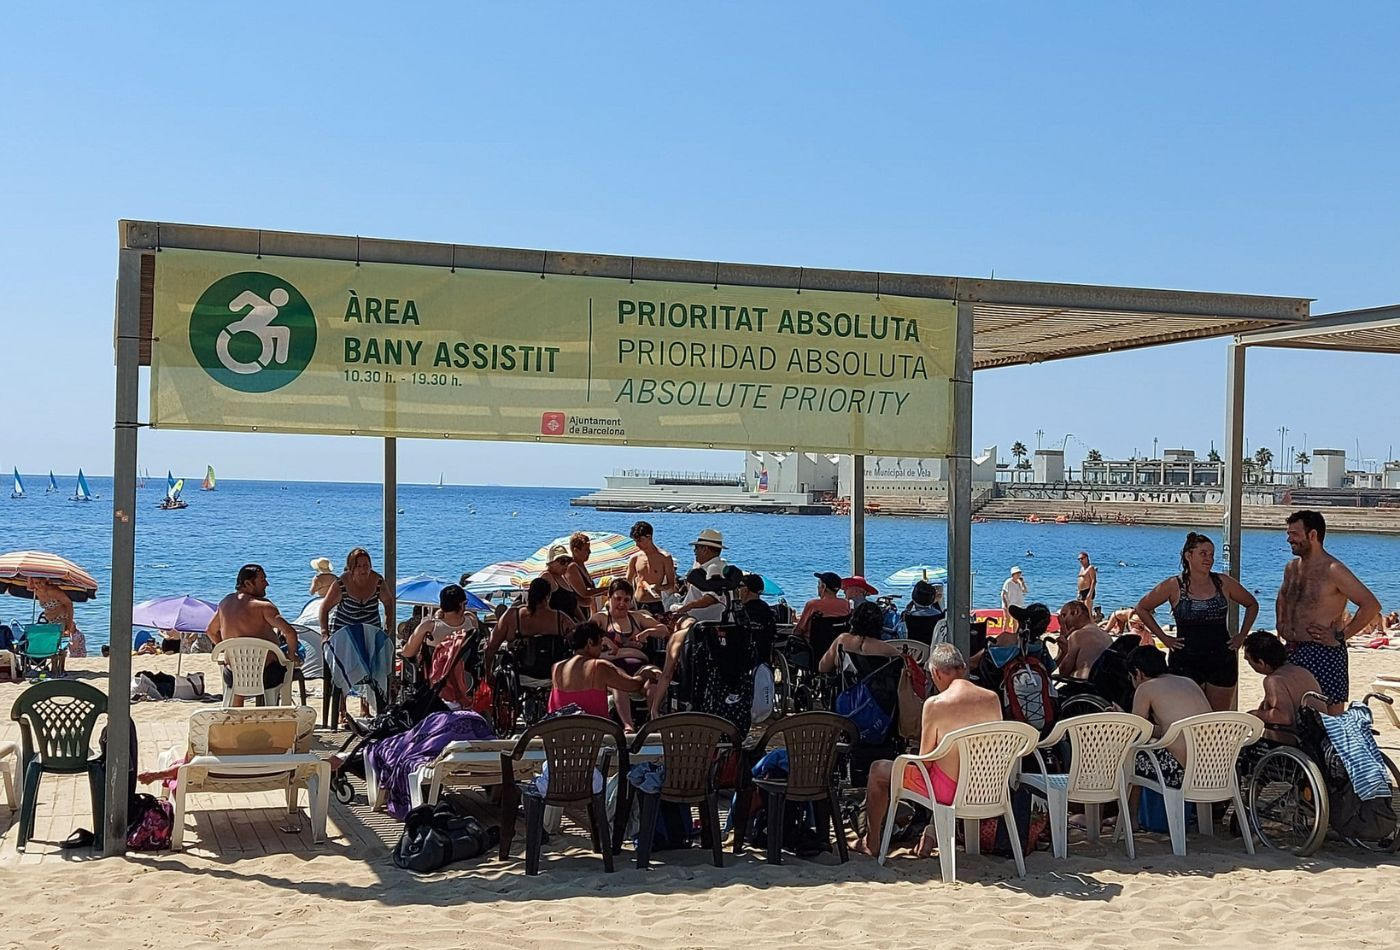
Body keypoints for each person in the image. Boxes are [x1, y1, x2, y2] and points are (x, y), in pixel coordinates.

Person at [854, 644, 1002, 857]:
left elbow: (926, 762)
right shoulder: (991, 698)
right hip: (985, 787)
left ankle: (872, 842)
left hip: (947, 790)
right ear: (963, 668)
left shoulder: (935, 704)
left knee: (878, 770)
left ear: (936, 673)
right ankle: (929, 834)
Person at [1134, 531, 1260, 711]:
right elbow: (1142, 608)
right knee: (1190, 716)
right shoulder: (1174, 585)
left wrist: (1242, 635)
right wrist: (1164, 638)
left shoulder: (1223, 582)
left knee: (1217, 718)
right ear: (1188, 556)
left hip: (1221, 657)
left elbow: (1252, 604)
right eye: (1203, 554)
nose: (1209, 558)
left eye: (1211, 554)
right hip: (1186, 659)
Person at [1276, 510, 1381, 714]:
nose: (1289, 539)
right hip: (1291, 649)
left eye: (1294, 534)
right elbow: (1282, 597)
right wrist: (1281, 623)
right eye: (1288, 533)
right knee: (1291, 715)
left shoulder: (1333, 569)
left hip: (1324, 652)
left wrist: (1341, 635)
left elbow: (1370, 605)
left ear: (1313, 535)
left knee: (1328, 720)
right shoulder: (1291, 568)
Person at [654, 528, 730, 715]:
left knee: (668, 659)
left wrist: (684, 608)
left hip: (698, 624)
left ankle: (658, 705)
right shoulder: (718, 567)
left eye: (697, 548)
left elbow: (712, 597)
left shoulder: (712, 570)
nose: (694, 551)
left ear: (707, 549)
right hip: (706, 622)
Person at [205, 564, 301, 708]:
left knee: (240, 669)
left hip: (233, 676)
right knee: (286, 663)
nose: (267, 584)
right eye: (262, 580)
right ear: (248, 583)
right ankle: (272, 714)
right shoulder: (264, 607)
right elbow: (290, 633)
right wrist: (292, 656)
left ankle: (237, 712)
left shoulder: (225, 603)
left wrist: (228, 652)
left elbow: (210, 631)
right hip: (266, 676)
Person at [319, 548, 393, 725]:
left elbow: (388, 603)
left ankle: (365, 707)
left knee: (375, 664)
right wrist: (324, 634)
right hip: (344, 632)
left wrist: (388, 626)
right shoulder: (341, 583)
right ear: (351, 568)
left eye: (366, 565)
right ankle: (342, 710)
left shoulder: (378, 581)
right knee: (343, 664)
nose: (363, 569)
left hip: (370, 630)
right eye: (359, 566)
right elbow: (324, 608)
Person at [1128, 645, 1211, 790]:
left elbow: (1135, 731)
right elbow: (1172, 729)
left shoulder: (1146, 688)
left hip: (1180, 772)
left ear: (1138, 673)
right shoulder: (1188, 682)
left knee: (1127, 759)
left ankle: (1130, 812)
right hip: (1213, 768)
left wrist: (1121, 717)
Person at [590, 577, 666, 731]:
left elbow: (664, 630)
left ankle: (654, 720)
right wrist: (604, 639)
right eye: (618, 599)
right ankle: (628, 726)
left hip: (639, 669)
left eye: (626, 600)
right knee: (620, 680)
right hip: (613, 670)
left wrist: (648, 632)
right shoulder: (601, 619)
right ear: (609, 598)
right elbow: (585, 637)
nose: (622, 604)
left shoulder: (637, 617)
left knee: (655, 677)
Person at [549, 620, 660, 718]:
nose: (602, 648)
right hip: (594, 733)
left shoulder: (556, 667)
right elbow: (632, 685)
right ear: (590, 642)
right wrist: (644, 675)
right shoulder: (599, 666)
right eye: (600, 643)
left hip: (561, 732)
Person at [401, 584, 480, 708]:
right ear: (461, 605)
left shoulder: (430, 627)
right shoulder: (471, 622)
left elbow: (407, 652)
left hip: (436, 684)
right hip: (465, 681)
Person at [484, 576, 573, 678]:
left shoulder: (512, 616)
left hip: (520, 673)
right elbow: (579, 640)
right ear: (548, 596)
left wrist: (488, 673)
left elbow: (491, 647)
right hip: (553, 673)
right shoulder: (560, 618)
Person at [1242, 630, 1322, 744]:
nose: (1248, 663)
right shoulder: (1301, 671)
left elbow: (1284, 717)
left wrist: (1252, 714)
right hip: (1318, 736)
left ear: (1261, 663)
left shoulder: (1273, 680)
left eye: (1249, 660)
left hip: (1297, 740)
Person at [818, 601, 900, 673]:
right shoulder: (889, 650)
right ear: (879, 624)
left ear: (854, 620)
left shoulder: (842, 640)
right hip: (876, 689)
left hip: (846, 688)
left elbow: (823, 667)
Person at [27, 576, 83, 669]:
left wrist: (69, 627)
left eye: (41, 582)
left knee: (59, 645)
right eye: (36, 583)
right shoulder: (36, 590)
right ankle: (54, 668)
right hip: (50, 621)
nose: (39, 585)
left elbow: (69, 604)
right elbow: (29, 586)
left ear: (45, 580)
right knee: (52, 644)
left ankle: (59, 669)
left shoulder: (53, 590)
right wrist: (29, 576)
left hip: (62, 618)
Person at [1052, 600, 1113, 680]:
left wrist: (1063, 650)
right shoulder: (1106, 636)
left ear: (1077, 612)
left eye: (1064, 615)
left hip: (1083, 685)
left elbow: (1063, 672)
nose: (1063, 621)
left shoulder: (1077, 635)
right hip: (1103, 684)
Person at [626, 521, 676, 617]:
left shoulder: (665, 558)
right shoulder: (635, 558)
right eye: (635, 541)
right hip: (637, 603)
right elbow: (627, 582)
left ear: (649, 537)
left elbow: (671, 584)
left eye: (640, 540)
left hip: (655, 603)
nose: (637, 545)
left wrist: (658, 588)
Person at [794, 571, 852, 637]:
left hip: (814, 645)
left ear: (824, 586)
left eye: (818, 584)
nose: (817, 587)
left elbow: (799, 630)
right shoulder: (845, 603)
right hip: (838, 644)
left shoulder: (813, 604)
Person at [736, 573, 777, 659]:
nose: (738, 589)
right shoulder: (766, 608)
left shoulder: (741, 610)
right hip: (764, 651)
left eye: (739, 586)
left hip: (743, 652)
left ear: (746, 590)